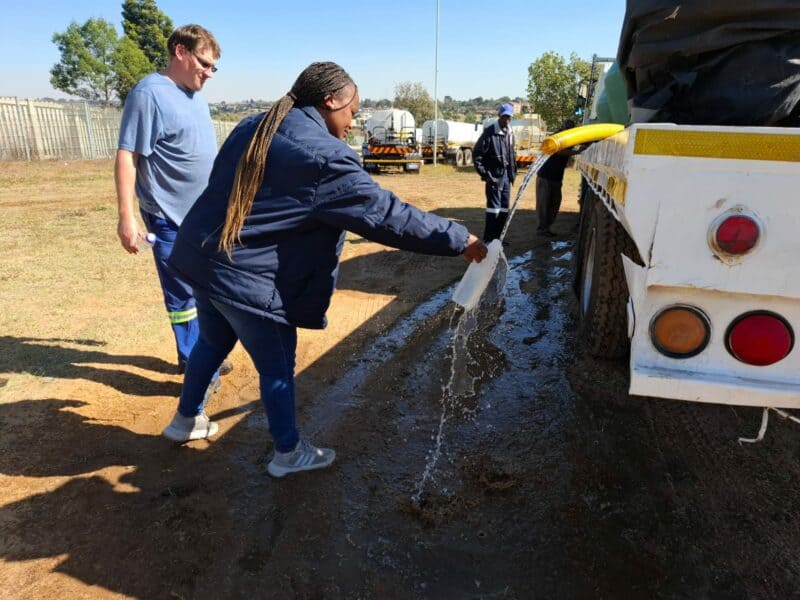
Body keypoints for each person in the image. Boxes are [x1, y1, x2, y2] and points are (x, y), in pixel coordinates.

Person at [160, 62, 488, 478]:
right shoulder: (324, 157)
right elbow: (386, 215)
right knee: (276, 367)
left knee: (211, 342)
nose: (354, 122)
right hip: (244, 277)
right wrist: (459, 239)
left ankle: (185, 421)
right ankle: (287, 453)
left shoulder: (254, 125)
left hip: (204, 261)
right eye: (353, 110)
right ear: (330, 100)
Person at [114, 24, 232, 383]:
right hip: (168, 216)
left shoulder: (196, 96)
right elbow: (127, 155)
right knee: (181, 293)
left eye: (214, 68)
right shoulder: (149, 94)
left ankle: (204, 353)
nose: (209, 73)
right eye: (204, 63)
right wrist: (127, 217)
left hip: (204, 216)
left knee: (207, 288)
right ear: (180, 52)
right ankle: (195, 364)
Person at [473, 103, 517, 243]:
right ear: (499, 116)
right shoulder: (490, 132)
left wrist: (512, 174)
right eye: (504, 117)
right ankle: (489, 239)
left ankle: (498, 239)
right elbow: (477, 154)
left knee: (504, 208)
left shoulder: (510, 132)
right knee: (493, 209)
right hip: (494, 176)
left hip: (506, 177)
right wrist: (486, 175)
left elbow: (511, 154)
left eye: (509, 117)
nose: (506, 120)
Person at [535, 119, 576, 237]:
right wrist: (576, 152)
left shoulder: (570, 140)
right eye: (567, 127)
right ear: (563, 127)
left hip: (556, 177)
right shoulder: (555, 137)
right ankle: (542, 229)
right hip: (545, 176)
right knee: (544, 203)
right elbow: (559, 151)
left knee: (554, 203)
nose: (568, 129)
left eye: (571, 128)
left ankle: (547, 227)